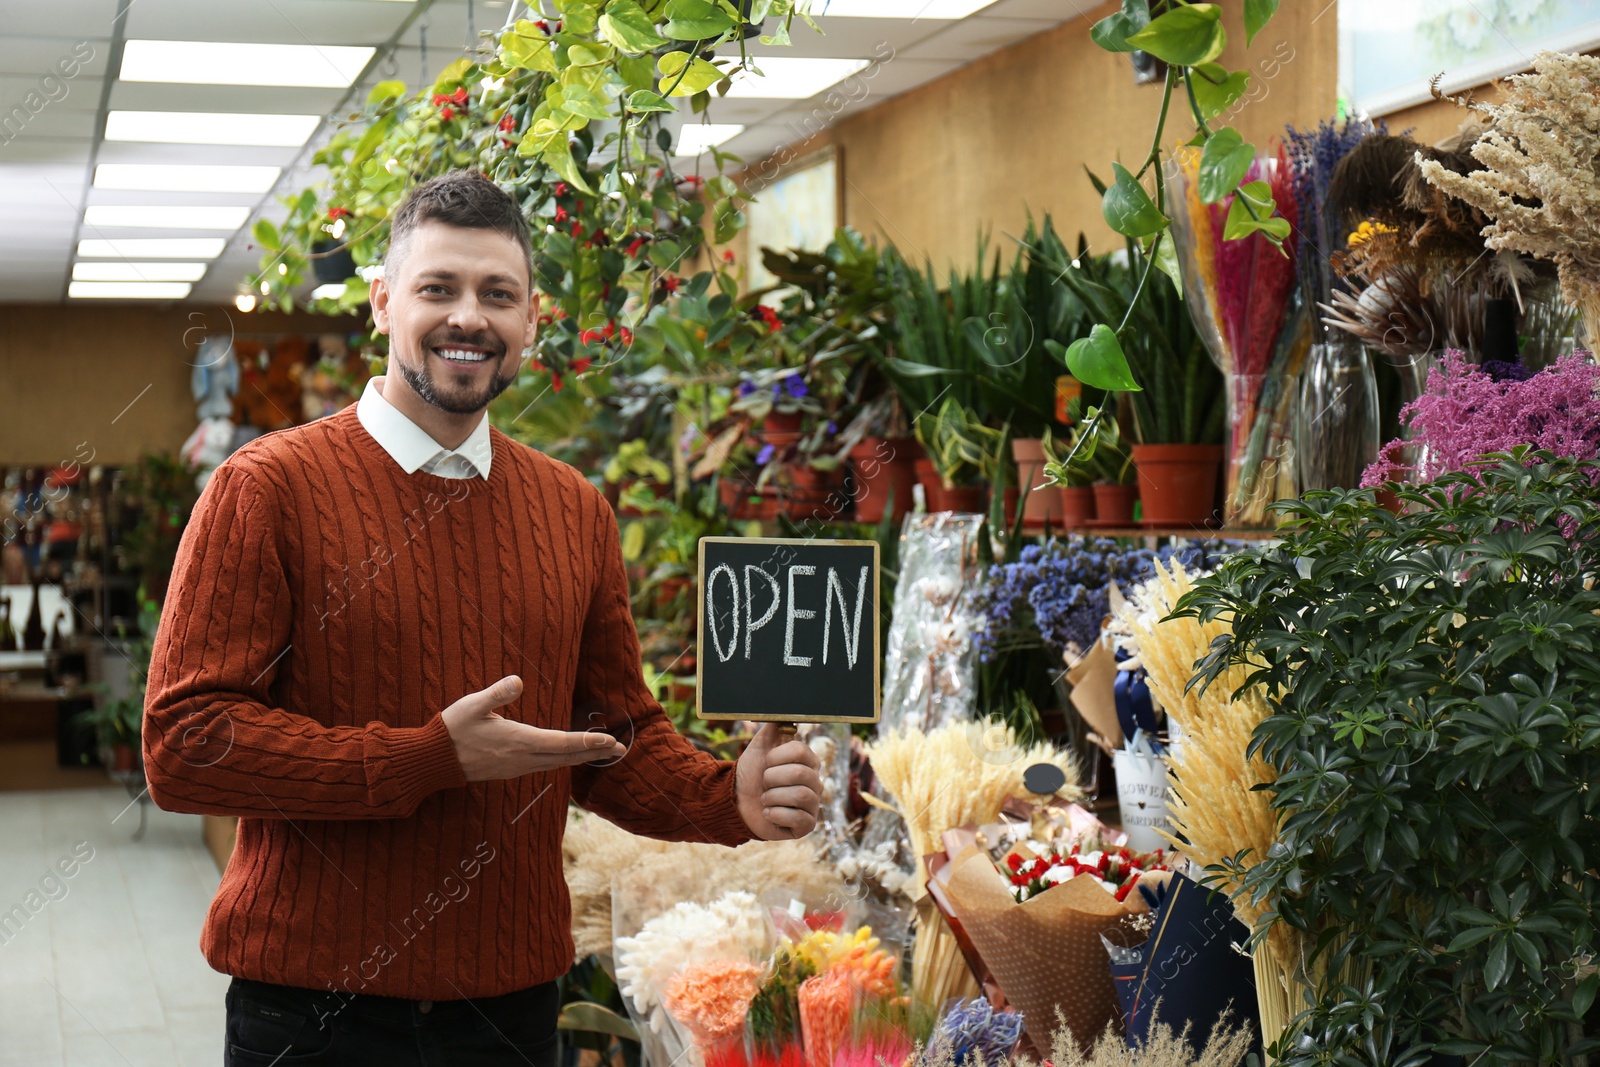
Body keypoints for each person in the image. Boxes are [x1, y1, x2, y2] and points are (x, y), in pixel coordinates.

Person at [142, 171, 825, 1067]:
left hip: (509, 1018)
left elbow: (612, 735)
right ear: (384, 302)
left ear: (531, 320)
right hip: (311, 1015)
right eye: (439, 288)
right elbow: (185, 744)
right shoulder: (266, 488)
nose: (470, 317)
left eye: (497, 295)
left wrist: (721, 795)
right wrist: (429, 757)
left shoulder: (574, 509)